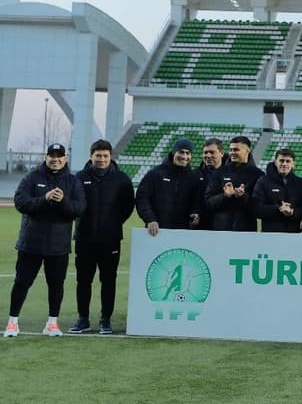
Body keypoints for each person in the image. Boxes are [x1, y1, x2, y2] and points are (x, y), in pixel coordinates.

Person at [4, 144, 86, 338]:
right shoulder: (31, 178)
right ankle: (12, 322)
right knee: (22, 282)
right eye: (52, 155)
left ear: (65, 159)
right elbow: (20, 202)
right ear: (45, 157)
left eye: (59, 156)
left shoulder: (73, 182)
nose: (55, 159)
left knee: (56, 285)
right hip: (31, 243)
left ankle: (52, 323)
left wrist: (63, 201)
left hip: (58, 246)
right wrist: (45, 198)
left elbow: (79, 208)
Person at [69, 140, 135, 335]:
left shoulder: (122, 179)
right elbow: (73, 203)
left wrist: (113, 223)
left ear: (110, 157)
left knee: (108, 280)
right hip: (84, 238)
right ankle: (83, 319)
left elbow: (128, 206)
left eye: (105, 156)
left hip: (111, 239)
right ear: (91, 156)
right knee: (83, 280)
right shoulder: (79, 177)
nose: (102, 159)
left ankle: (105, 319)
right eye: (98, 155)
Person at [135, 138, 203, 236]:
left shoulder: (194, 177)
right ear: (174, 152)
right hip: (156, 231)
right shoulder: (155, 173)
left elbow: (196, 201)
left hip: (183, 233)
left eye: (188, 153)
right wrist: (150, 219)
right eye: (181, 152)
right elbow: (142, 198)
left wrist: (195, 213)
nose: (184, 156)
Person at [205, 135, 264, 231]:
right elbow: (209, 201)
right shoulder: (220, 172)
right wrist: (225, 196)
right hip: (220, 231)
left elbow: (259, 207)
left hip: (246, 232)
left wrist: (243, 196)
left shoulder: (258, 175)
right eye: (231, 150)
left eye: (236, 150)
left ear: (248, 150)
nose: (232, 153)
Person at [252, 148, 302, 233]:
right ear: (275, 162)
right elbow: (256, 208)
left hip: (293, 234)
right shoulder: (263, 181)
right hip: (270, 234)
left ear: (293, 164)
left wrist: (292, 212)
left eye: (288, 161)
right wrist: (278, 209)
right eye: (281, 160)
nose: (284, 164)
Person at [195, 138, 226, 230]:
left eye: (212, 152)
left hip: (223, 227)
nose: (208, 155)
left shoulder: (230, 174)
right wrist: (195, 212)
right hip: (199, 226)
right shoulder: (195, 174)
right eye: (205, 152)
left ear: (222, 153)